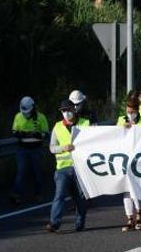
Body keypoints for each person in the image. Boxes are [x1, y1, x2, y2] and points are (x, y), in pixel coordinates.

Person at [46, 100, 89, 233]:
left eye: (69, 110)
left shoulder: (85, 124)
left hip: (79, 168)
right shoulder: (57, 127)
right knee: (59, 196)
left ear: (74, 109)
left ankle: (80, 222)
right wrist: (63, 148)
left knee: (80, 198)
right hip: (62, 169)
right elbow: (52, 148)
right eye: (64, 111)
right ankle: (54, 223)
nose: (66, 113)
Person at [116, 97, 141, 231]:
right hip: (124, 158)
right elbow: (114, 135)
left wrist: (135, 127)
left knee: (135, 188)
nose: (130, 114)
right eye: (128, 111)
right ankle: (130, 218)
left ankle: (139, 213)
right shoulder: (120, 120)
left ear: (137, 110)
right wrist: (123, 129)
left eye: (133, 111)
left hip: (138, 160)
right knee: (126, 190)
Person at [11, 96, 48, 204]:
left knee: (37, 172)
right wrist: (20, 134)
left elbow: (46, 133)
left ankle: (38, 194)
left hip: (36, 149)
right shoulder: (18, 116)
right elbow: (14, 131)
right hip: (22, 149)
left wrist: (38, 134)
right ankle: (16, 194)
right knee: (21, 172)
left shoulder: (41, 117)